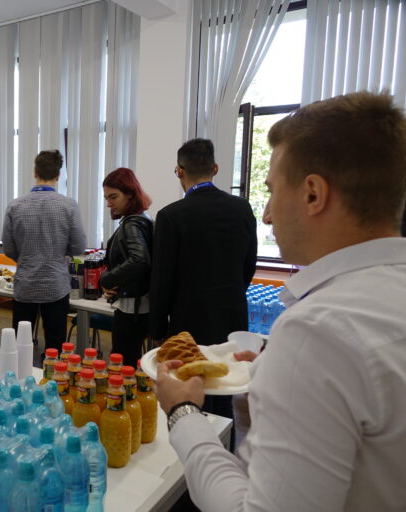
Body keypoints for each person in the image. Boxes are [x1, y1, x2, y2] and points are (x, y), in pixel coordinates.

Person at [156, 91, 406, 511]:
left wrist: (182, 413)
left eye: (272, 190)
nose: (268, 214)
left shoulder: (317, 331)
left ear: (312, 194)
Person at [148, 138, 257, 420]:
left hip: (189, 322)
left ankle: (192, 448)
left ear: (179, 171)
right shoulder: (241, 209)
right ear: (216, 168)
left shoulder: (171, 216)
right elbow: (248, 266)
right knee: (226, 385)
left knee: (191, 390)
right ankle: (226, 445)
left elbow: (162, 279)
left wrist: (158, 327)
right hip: (232, 316)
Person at [1, 150, 87, 351]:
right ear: (58, 175)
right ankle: (54, 379)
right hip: (56, 285)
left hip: (25, 284)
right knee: (55, 344)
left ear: (34, 172)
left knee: (19, 344)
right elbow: (78, 246)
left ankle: (19, 378)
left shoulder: (15, 206)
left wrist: (26, 257)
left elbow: (8, 248)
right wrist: (58, 252)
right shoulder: (69, 206)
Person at [99, 168, 152, 365]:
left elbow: (139, 260)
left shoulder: (132, 224)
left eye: (113, 197)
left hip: (132, 310)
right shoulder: (143, 219)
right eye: (106, 198)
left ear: (130, 194)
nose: (108, 204)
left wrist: (106, 279)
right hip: (139, 305)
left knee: (122, 364)